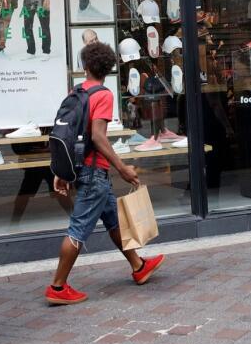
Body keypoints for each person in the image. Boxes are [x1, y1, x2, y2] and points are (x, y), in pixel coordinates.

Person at [47, 42, 164, 305]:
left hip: (82, 169)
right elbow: (98, 136)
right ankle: (57, 287)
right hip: (93, 173)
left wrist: (63, 171)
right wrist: (122, 167)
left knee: (114, 221)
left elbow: (68, 134)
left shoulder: (76, 91)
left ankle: (138, 266)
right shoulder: (104, 95)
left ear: (85, 66)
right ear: (109, 69)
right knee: (78, 229)